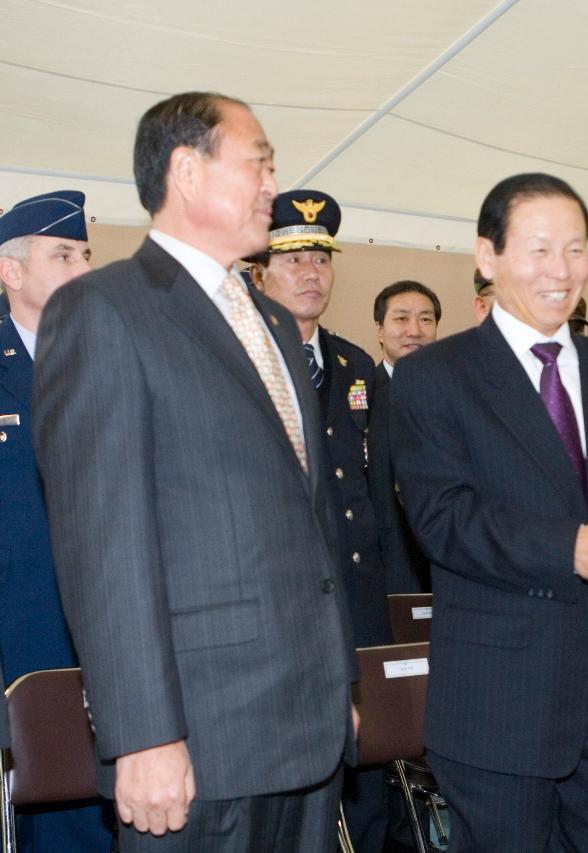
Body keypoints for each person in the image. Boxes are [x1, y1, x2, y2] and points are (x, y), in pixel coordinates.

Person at [32, 91, 357, 852]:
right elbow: (102, 544)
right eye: (259, 163)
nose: (273, 185)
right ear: (186, 170)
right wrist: (142, 736)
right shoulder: (104, 310)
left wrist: (336, 684)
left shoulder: (272, 321)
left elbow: (305, 519)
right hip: (197, 740)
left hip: (304, 733)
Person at [391, 172, 588, 852]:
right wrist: (570, 547)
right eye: (540, 249)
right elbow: (443, 518)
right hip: (500, 711)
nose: (561, 271)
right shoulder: (436, 376)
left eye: (576, 250)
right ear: (488, 257)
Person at [248, 188, 389, 852]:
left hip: (357, 601)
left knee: (366, 776)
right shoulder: (241, 359)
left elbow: (381, 491)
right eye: (293, 261)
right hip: (280, 608)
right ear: (259, 273)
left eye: (321, 260)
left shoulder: (355, 365)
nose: (311, 274)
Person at [0, 190, 114, 852]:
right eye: (62, 254)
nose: (81, 267)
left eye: (86, 254)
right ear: (11, 271)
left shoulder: (111, 357)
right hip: (24, 636)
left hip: (107, 635)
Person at [368, 279, 440, 594]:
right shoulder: (360, 395)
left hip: (447, 563)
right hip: (385, 562)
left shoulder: (454, 394)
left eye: (426, 319)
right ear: (380, 330)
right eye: (401, 318)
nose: (415, 330)